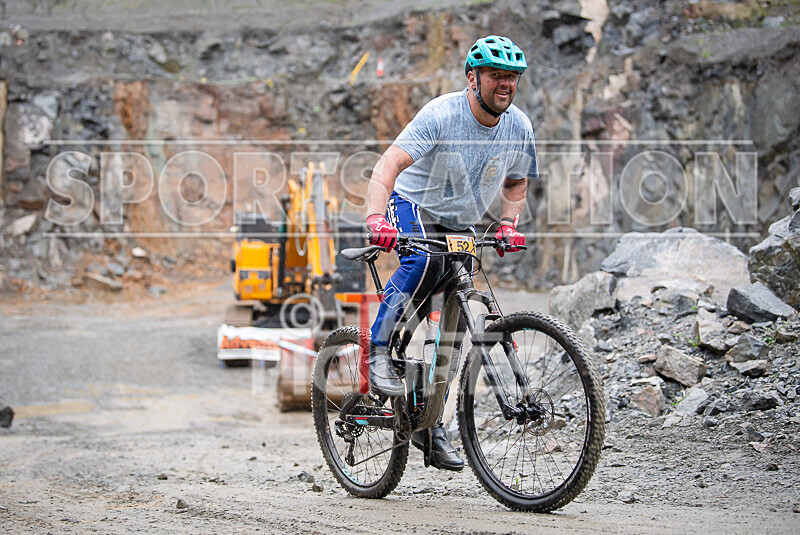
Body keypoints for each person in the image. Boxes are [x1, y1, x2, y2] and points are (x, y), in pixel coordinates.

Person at [364, 35, 538, 471]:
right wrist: (376, 219)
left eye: (512, 77)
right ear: (473, 78)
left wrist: (509, 223)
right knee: (424, 261)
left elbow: (516, 181)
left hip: (461, 222)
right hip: (413, 205)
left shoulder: (519, 126)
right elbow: (388, 165)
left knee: (454, 324)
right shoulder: (442, 115)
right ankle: (377, 352)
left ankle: (430, 423)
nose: (505, 84)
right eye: (496, 75)